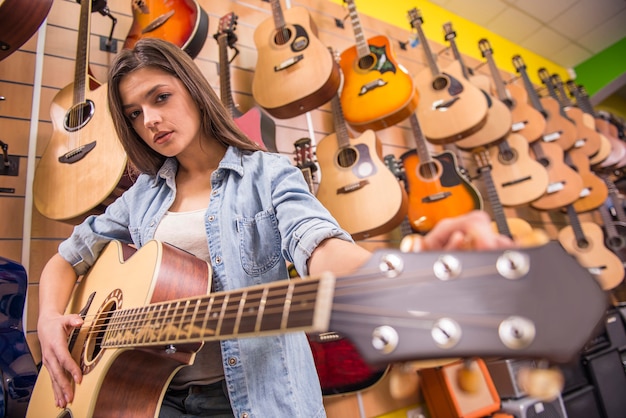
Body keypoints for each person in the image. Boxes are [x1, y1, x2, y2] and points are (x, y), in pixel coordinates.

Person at [35, 38, 513, 417]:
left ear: (193, 90)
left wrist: (395, 268)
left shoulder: (268, 174)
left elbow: (319, 246)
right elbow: (65, 258)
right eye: (135, 114)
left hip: (252, 399)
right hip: (153, 400)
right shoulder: (143, 196)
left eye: (161, 98)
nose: (151, 121)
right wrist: (50, 319)